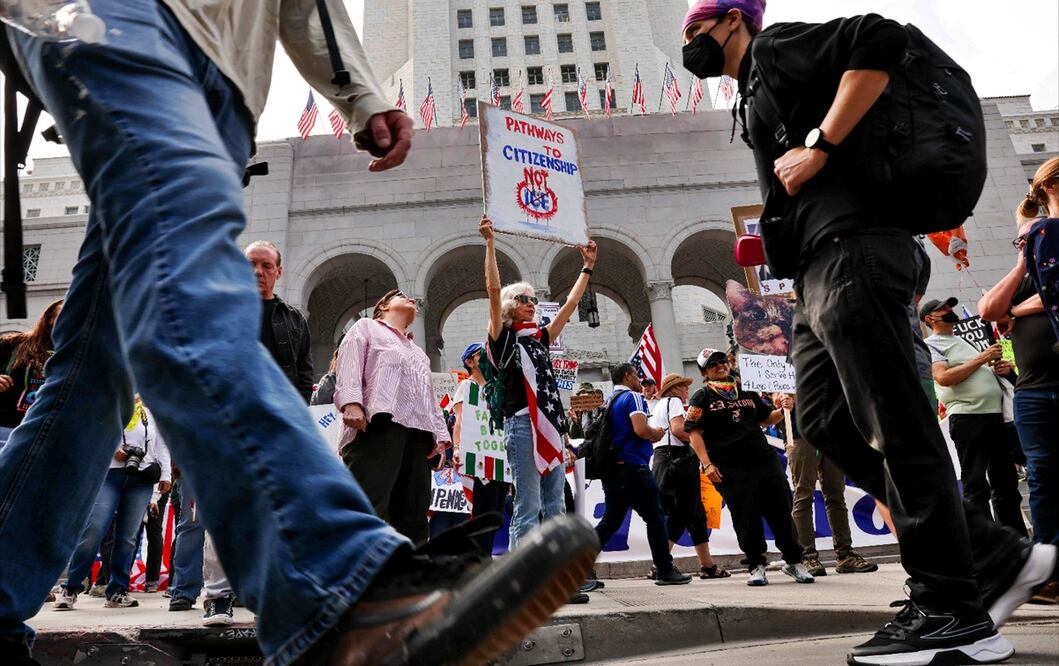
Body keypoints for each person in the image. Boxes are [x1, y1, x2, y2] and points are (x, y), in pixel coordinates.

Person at [0, 3, 598, 663]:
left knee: (91, 378)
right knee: (189, 289)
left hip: (223, 89)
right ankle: (333, 590)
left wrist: (359, 91)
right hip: (118, 20)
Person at [681, 3, 1056, 662]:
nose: (689, 39)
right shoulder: (753, 92)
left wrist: (820, 144)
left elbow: (877, 36)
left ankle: (951, 609)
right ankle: (990, 554)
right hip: (817, 269)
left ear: (734, 21)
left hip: (855, 247)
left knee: (895, 425)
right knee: (826, 421)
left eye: (697, 25)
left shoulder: (775, 50)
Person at [481, 215, 598, 548]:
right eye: (524, 299)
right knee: (528, 507)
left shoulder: (540, 337)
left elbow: (570, 304)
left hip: (548, 425)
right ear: (510, 306)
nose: (532, 305)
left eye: (534, 300)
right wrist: (490, 244)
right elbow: (491, 290)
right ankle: (524, 580)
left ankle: (556, 576)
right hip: (520, 425)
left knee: (557, 506)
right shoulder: (501, 337)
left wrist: (586, 268)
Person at [979, 170, 1059, 603]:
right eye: (1026, 240)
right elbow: (990, 308)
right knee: (1044, 479)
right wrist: (1022, 262)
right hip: (1033, 392)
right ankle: (1049, 569)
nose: (1035, 243)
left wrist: (1020, 310)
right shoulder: (1028, 271)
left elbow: (1049, 301)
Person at [683, 349, 814, 587]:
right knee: (746, 516)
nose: (720, 365)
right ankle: (756, 564)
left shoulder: (746, 390)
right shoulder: (701, 397)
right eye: (712, 364)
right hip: (730, 467)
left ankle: (794, 561)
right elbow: (693, 432)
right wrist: (707, 463)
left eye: (722, 361)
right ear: (704, 372)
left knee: (781, 509)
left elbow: (767, 419)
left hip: (764, 460)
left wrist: (785, 406)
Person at [335, 289, 450, 544]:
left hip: (418, 435)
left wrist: (440, 437)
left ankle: (410, 575)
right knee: (370, 503)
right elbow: (350, 361)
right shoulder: (366, 328)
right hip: (378, 424)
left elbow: (429, 396)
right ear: (383, 306)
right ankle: (358, 572)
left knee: (414, 509)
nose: (410, 298)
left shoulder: (418, 352)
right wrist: (351, 403)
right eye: (400, 295)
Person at [922, 298, 1026, 536]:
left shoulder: (962, 341)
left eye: (950, 307)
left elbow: (973, 372)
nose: (950, 311)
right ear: (930, 319)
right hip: (969, 419)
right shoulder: (931, 344)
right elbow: (944, 378)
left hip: (994, 418)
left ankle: (1016, 541)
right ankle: (985, 543)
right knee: (976, 484)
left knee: (1006, 484)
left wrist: (997, 370)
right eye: (944, 309)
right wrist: (982, 359)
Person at [54, 400, 172, 610]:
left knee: (127, 537)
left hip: (142, 477)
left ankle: (117, 590)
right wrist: (112, 450)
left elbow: (162, 442)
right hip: (108, 474)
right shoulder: (110, 400)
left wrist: (165, 474)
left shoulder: (152, 407)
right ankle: (71, 587)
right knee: (94, 529)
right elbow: (92, 433)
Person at [593, 364, 692, 585]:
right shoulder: (633, 398)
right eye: (637, 377)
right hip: (633, 467)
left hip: (612, 469)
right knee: (656, 517)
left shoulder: (610, 400)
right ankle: (664, 570)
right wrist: (655, 434)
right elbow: (640, 429)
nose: (640, 381)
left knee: (610, 520)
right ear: (628, 377)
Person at [775, 393, 878, 576]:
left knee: (836, 495)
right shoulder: (785, 368)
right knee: (803, 495)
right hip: (801, 435)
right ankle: (807, 556)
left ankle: (845, 555)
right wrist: (783, 402)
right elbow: (777, 395)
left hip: (831, 435)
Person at [649, 373, 728, 579]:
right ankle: (661, 563)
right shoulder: (673, 402)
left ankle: (707, 565)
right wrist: (699, 439)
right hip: (678, 460)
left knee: (695, 513)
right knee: (682, 512)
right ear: (675, 389)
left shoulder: (659, 405)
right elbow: (678, 429)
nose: (686, 391)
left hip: (664, 460)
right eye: (684, 387)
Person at [452, 343, 511, 556]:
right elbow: (459, 422)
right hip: (479, 459)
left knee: (496, 514)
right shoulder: (466, 387)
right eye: (481, 355)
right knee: (482, 514)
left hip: (500, 460)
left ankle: (482, 558)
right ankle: (476, 561)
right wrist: (457, 448)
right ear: (469, 362)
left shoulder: (497, 389)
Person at [246, 240, 314, 403]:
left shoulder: (295, 319)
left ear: (278, 272)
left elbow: (304, 372)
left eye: (267, 266)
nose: (258, 272)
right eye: (251, 264)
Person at [0, 300, 62, 447]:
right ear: (50, 318)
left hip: (54, 433)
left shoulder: (82, 354)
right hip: (7, 428)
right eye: (64, 315)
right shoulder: (13, 343)